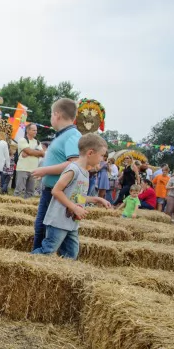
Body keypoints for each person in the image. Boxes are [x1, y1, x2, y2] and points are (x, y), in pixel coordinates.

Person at [32, 134, 110, 259]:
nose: (102, 159)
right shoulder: (73, 169)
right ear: (90, 153)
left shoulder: (85, 172)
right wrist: (74, 207)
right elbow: (56, 191)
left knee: (71, 253)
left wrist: (96, 199)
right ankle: (26, 260)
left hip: (72, 222)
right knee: (48, 250)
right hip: (58, 221)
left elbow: (76, 196)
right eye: (101, 155)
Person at [30, 98, 81, 251]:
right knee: (42, 228)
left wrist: (45, 170)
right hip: (51, 191)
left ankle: (38, 260)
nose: (51, 117)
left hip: (58, 193)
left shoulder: (72, 135)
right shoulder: (64, 134)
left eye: (52, 114)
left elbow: (74, 164)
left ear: (57, 114)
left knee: (46, 230)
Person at [15, 123, 45, 199]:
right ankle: (16, 205)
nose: (35, 132)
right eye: (33, 130)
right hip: (23, 169)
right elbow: (32, 152)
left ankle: (26, 206)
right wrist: (35, 152)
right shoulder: (22, 140)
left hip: (33, 170)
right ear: (28, 130)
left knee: (30, 192)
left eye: (36, 130)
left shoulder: (37, 142)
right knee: (19, 190)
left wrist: (30, 152)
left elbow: (42, 154)